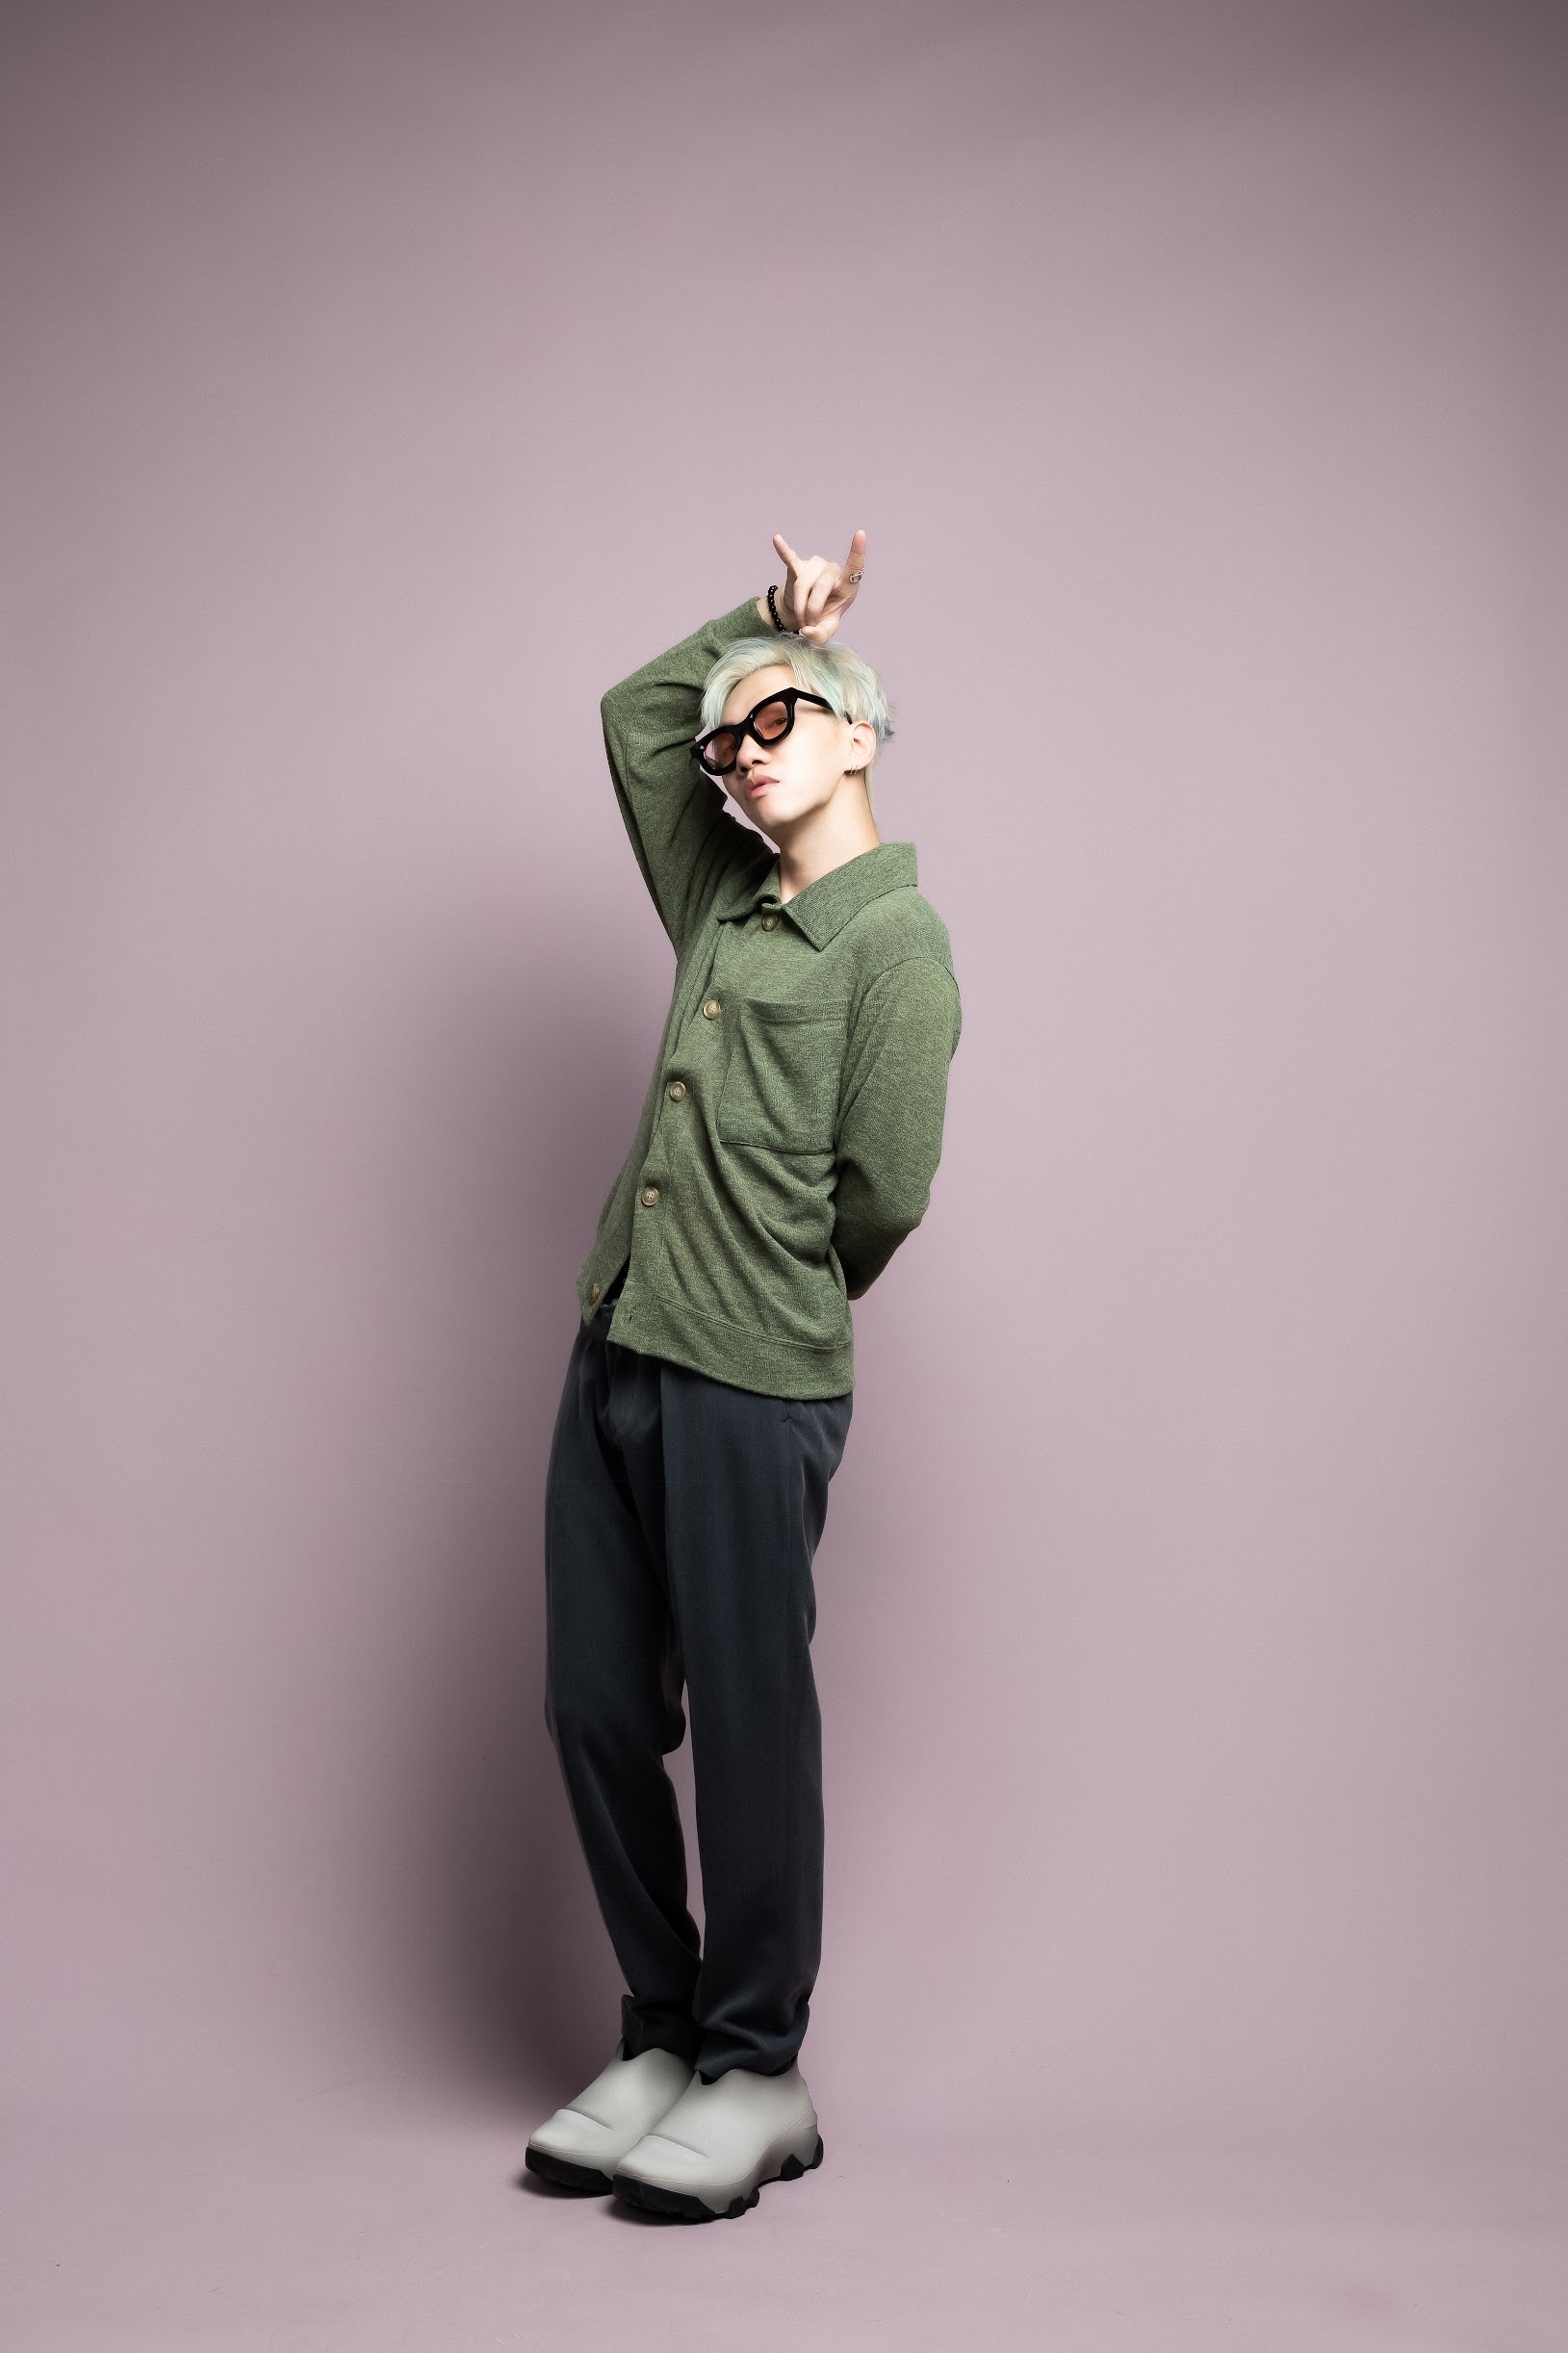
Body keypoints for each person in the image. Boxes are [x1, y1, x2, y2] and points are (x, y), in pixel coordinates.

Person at [525, 530, 962, 2221]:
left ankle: (756, 2065)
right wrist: (759, 627)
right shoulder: (721, 893)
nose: (737, 752)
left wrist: (767, 1293)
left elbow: (882, 1195)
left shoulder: (895, 945)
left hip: (750, 1378)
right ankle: (660, 2032)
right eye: (729, 744)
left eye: (774, 717)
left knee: (750, 1725)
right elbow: (633, 717)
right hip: (616, 1342)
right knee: (594, 1704)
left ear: (857, 730)